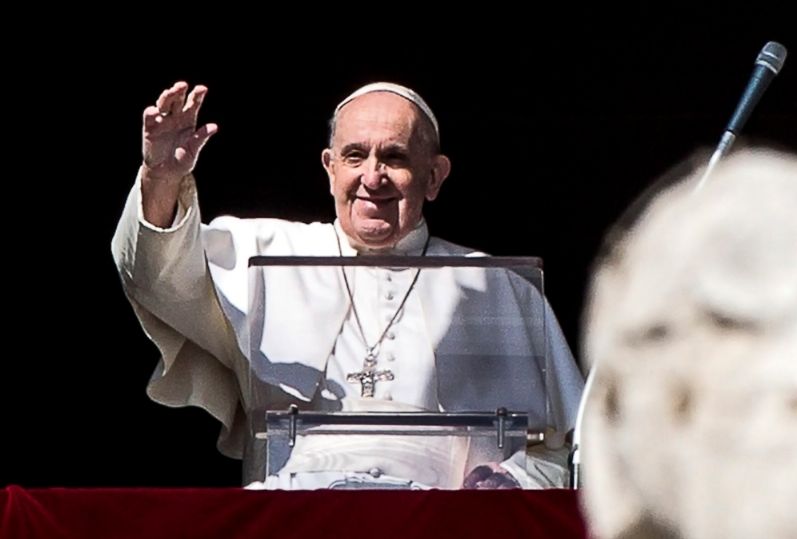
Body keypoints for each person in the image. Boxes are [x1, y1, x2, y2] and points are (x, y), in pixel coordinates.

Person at [111, 81, 584, 488]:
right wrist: (161, 179)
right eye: (355, 155)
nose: (372, 176)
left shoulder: (496, 286)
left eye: (395, 157)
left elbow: (561, 449)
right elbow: (155, 276)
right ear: (329, 167)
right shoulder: (264, 253)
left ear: (435, 176)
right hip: (296, 523)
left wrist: (510, 482)